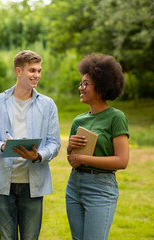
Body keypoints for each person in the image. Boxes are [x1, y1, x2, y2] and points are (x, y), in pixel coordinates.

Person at [0, 50, 61, 239]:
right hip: (4, 183)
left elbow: (54, 143)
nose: (37, 75)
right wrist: (3, 147)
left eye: (39, 71)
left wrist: (38, 156)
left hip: (33, 184)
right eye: (32, 71)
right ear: (18, 71)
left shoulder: (48, 104)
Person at [66, 53, 129, 240]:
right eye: (81, 83)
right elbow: (72, 161)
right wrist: (70, 149)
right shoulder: (79, 120)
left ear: (101, 86)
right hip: (74, 186)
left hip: (101, 189)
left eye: (85, 84)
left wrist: (84, 158)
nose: (80, 87)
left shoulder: (116, 118)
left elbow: (122, 161)